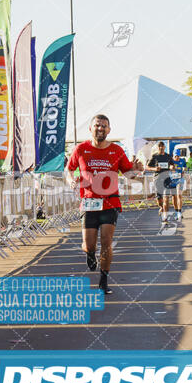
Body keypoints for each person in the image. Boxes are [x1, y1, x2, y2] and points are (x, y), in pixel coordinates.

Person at [67, 114, 143, 295]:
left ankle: (104, 279)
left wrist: (137, 171)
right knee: (88, 245)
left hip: (110, 202)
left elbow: (128, 173)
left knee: (107, 242)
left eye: (104, 126)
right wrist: (70, 179)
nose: (100, 128)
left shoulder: (116, 150)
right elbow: (68, 168)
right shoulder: (80, 149)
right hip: (89, 203)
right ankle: (90, 254)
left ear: (109, 130)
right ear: (90, 128)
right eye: (97, 125)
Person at [145, 142, 174, 224]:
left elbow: (172, 165)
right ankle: (161, 207)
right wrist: (155, 169)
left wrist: (172, 167)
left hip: (167, 178)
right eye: (159, 146)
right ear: (157, 147)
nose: (161, 147)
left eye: (162, 146)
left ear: (164, 147)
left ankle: (165, 217)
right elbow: (147, 167)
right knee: (159, 199)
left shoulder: (168, 156)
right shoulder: (154, 156)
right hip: (157, 179)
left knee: (166, 198)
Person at [168, 154, 186, 220]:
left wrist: (183, 171)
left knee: (179, 195)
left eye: (178, 156)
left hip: (180, 180)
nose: (177, 157)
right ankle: (176, 212)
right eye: (175, 156)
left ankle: (179, 212)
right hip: (172, 180)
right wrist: (170, 168)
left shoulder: (182, 160)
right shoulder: (170, 161)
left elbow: (185, 166)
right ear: (173, 156)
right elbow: (167, 167)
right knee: (174, 196)